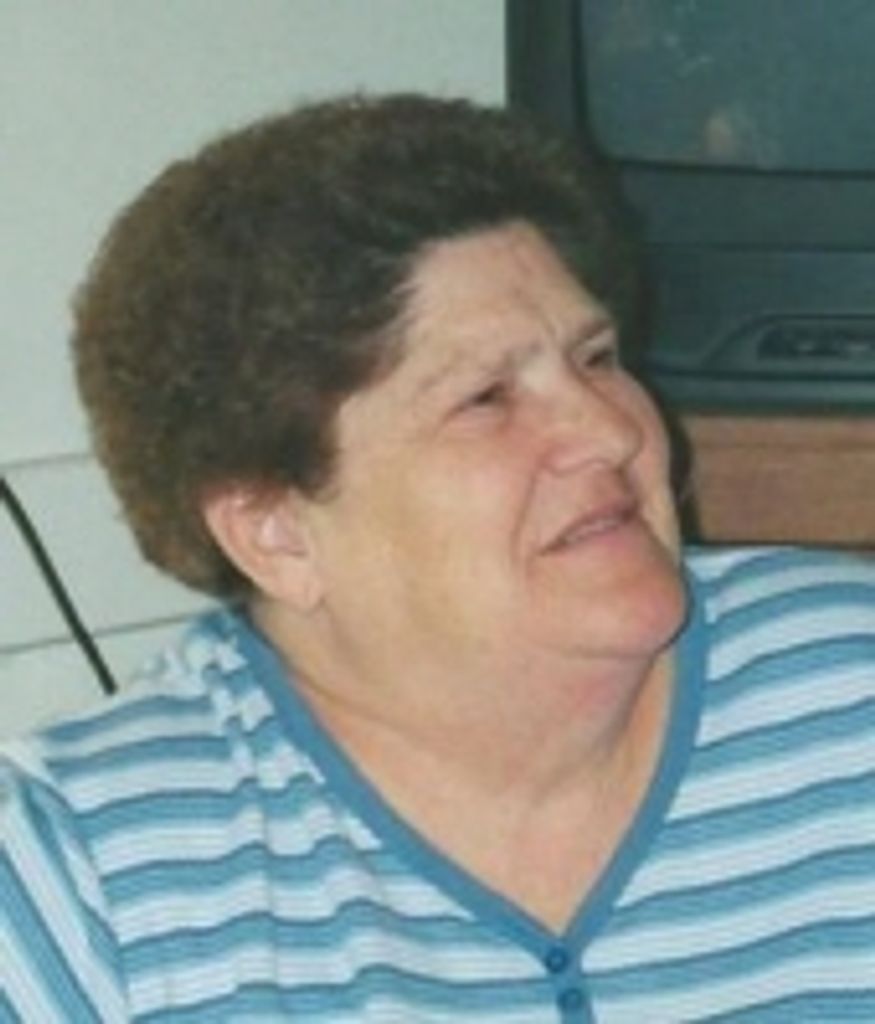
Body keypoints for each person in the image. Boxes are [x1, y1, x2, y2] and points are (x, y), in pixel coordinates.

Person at [2, 94, 874, 1024]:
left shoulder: (848, 698)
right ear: (277, 535)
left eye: (595, 358)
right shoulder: (79, 877)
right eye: (486, 398)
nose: (611, 430)